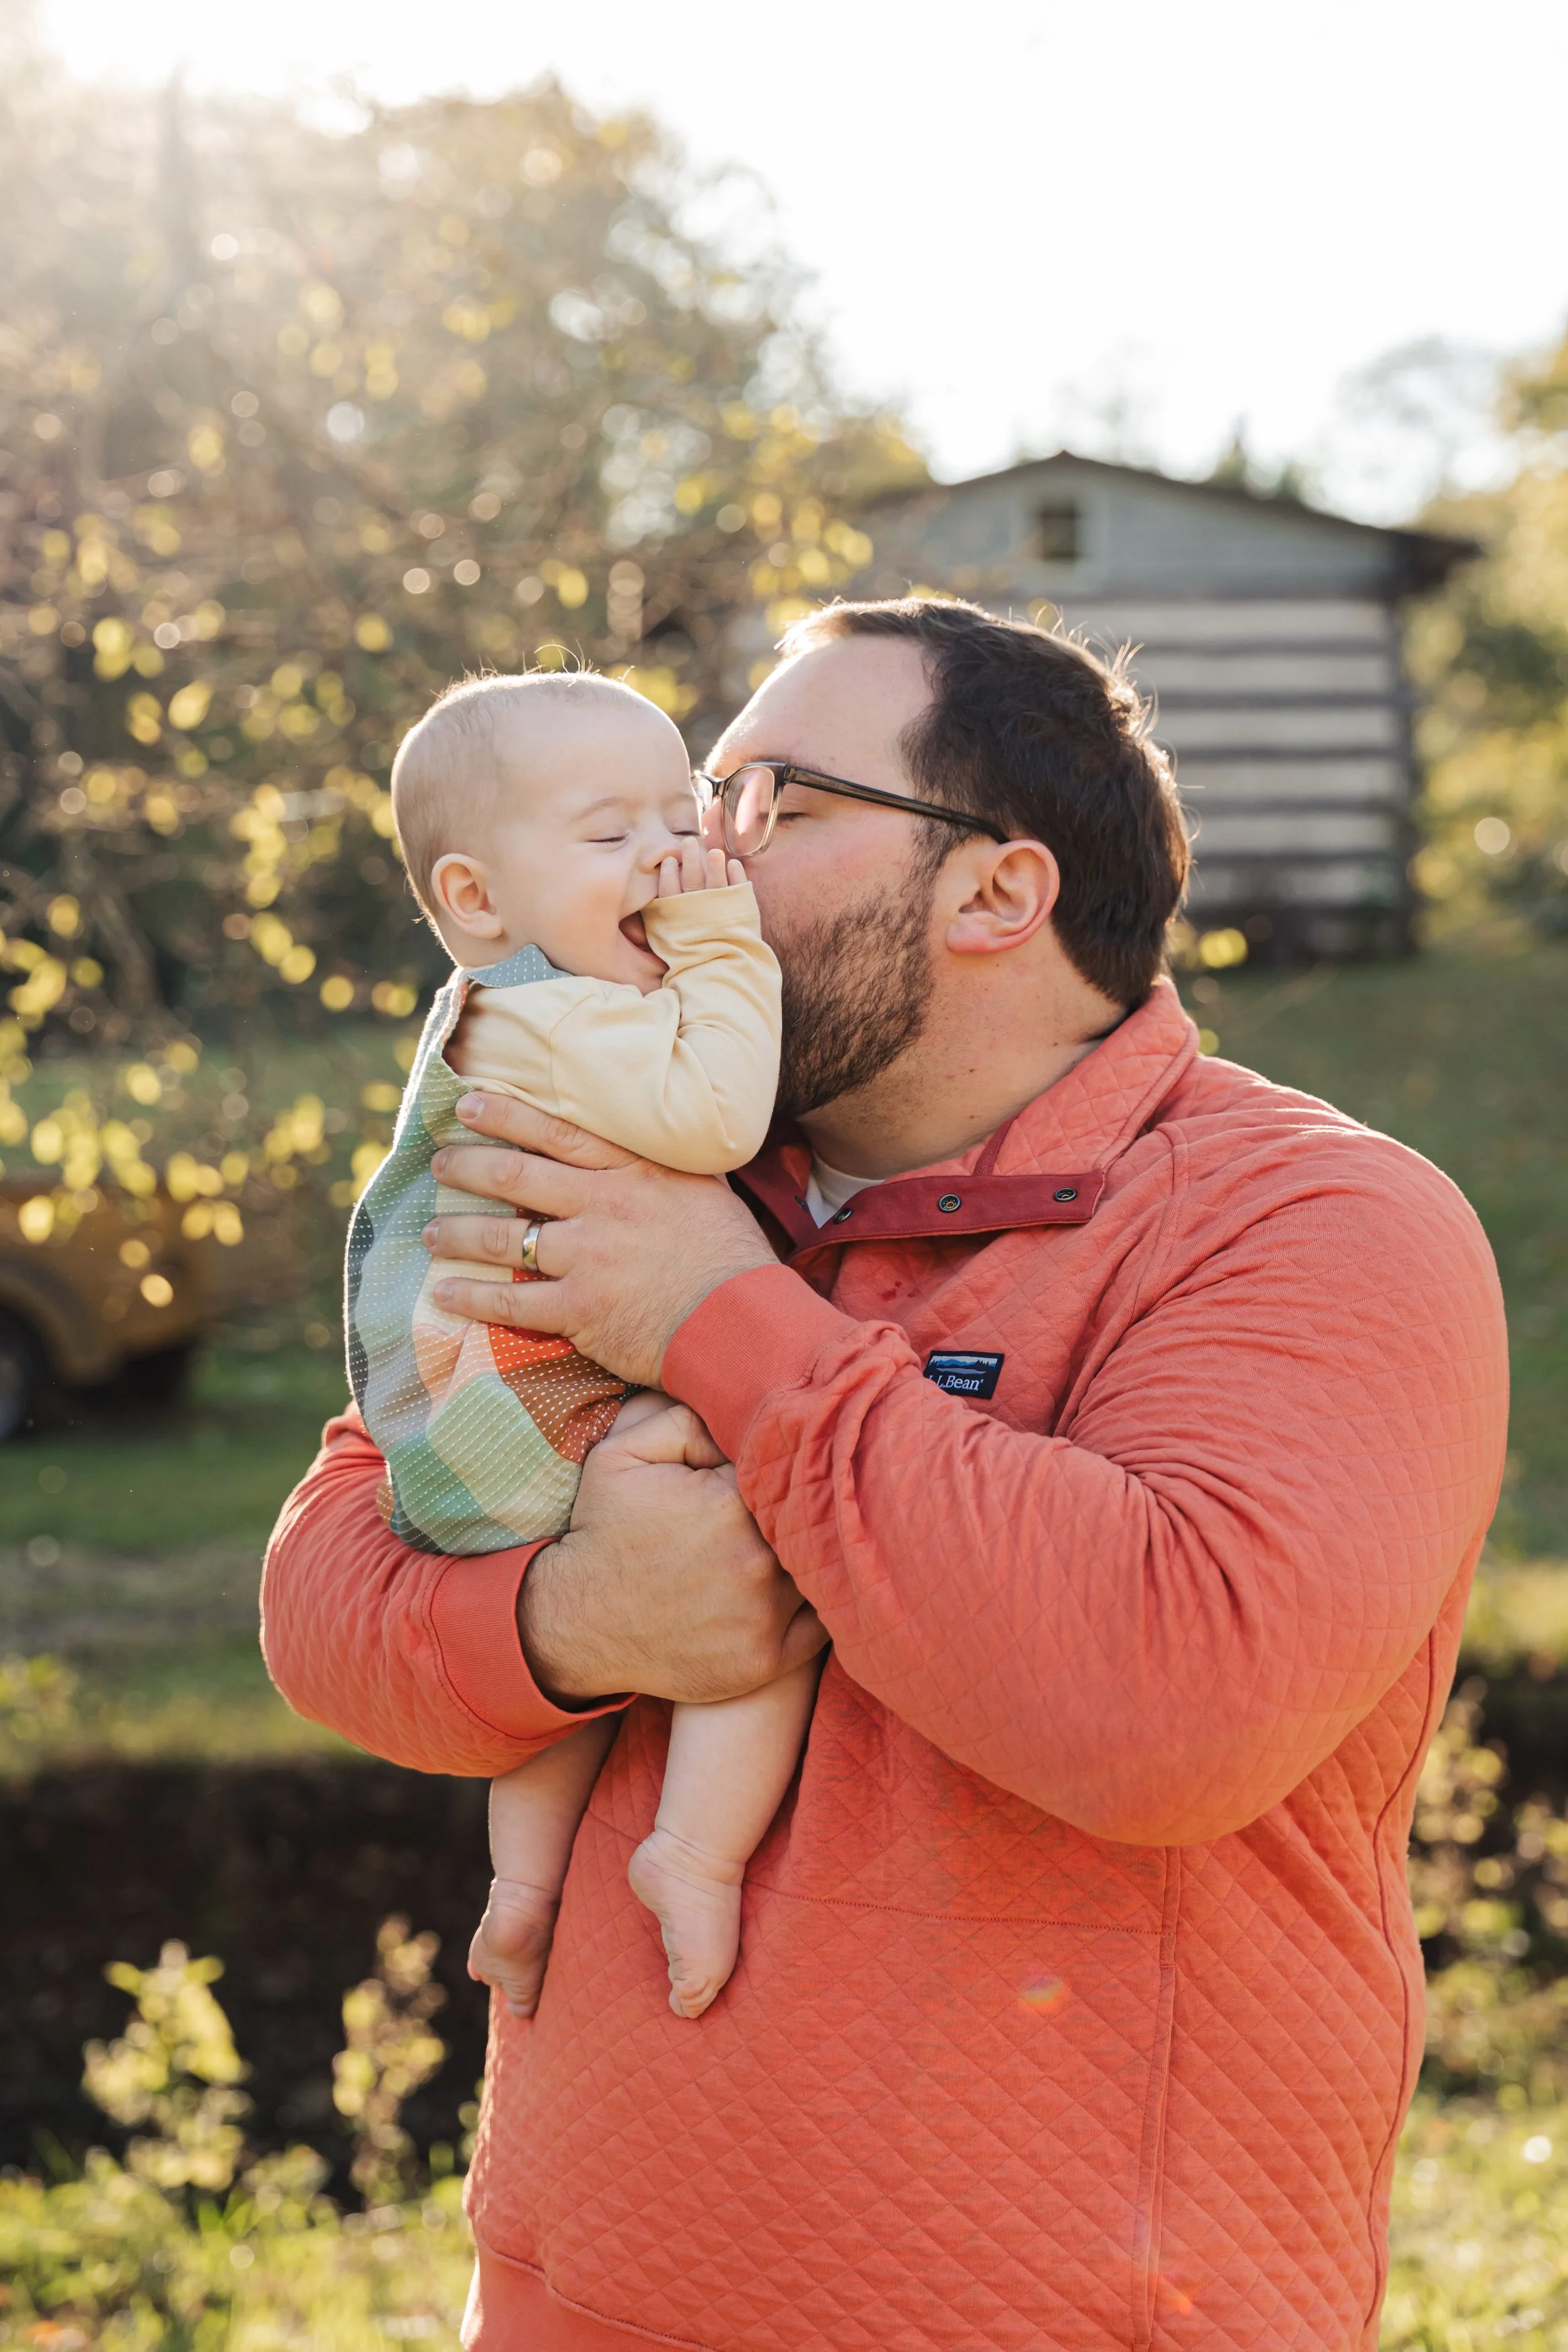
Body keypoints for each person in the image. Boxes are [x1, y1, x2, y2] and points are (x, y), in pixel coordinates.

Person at [263, 598, 1510, 2352]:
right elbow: (326, 1580)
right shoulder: (638, 1155)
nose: (696, 843)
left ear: (995, 892)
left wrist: (717, 1318)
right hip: (565, 2300)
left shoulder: (1315, 1221)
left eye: (763, 796)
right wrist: (571, 1617)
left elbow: (1171, 1694)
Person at [351, 668, 817, 2025]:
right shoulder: (552, 1014)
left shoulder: (510, 1007)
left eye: (685, 817)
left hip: (466, 1443)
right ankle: (696, 1848)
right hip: (542, 1411)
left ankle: (521, 1895)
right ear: (476, 903)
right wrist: (727, 942)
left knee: (591, 1654)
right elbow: (719, 1115)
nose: (674, 858)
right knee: (758, 1564)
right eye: (613, 836)